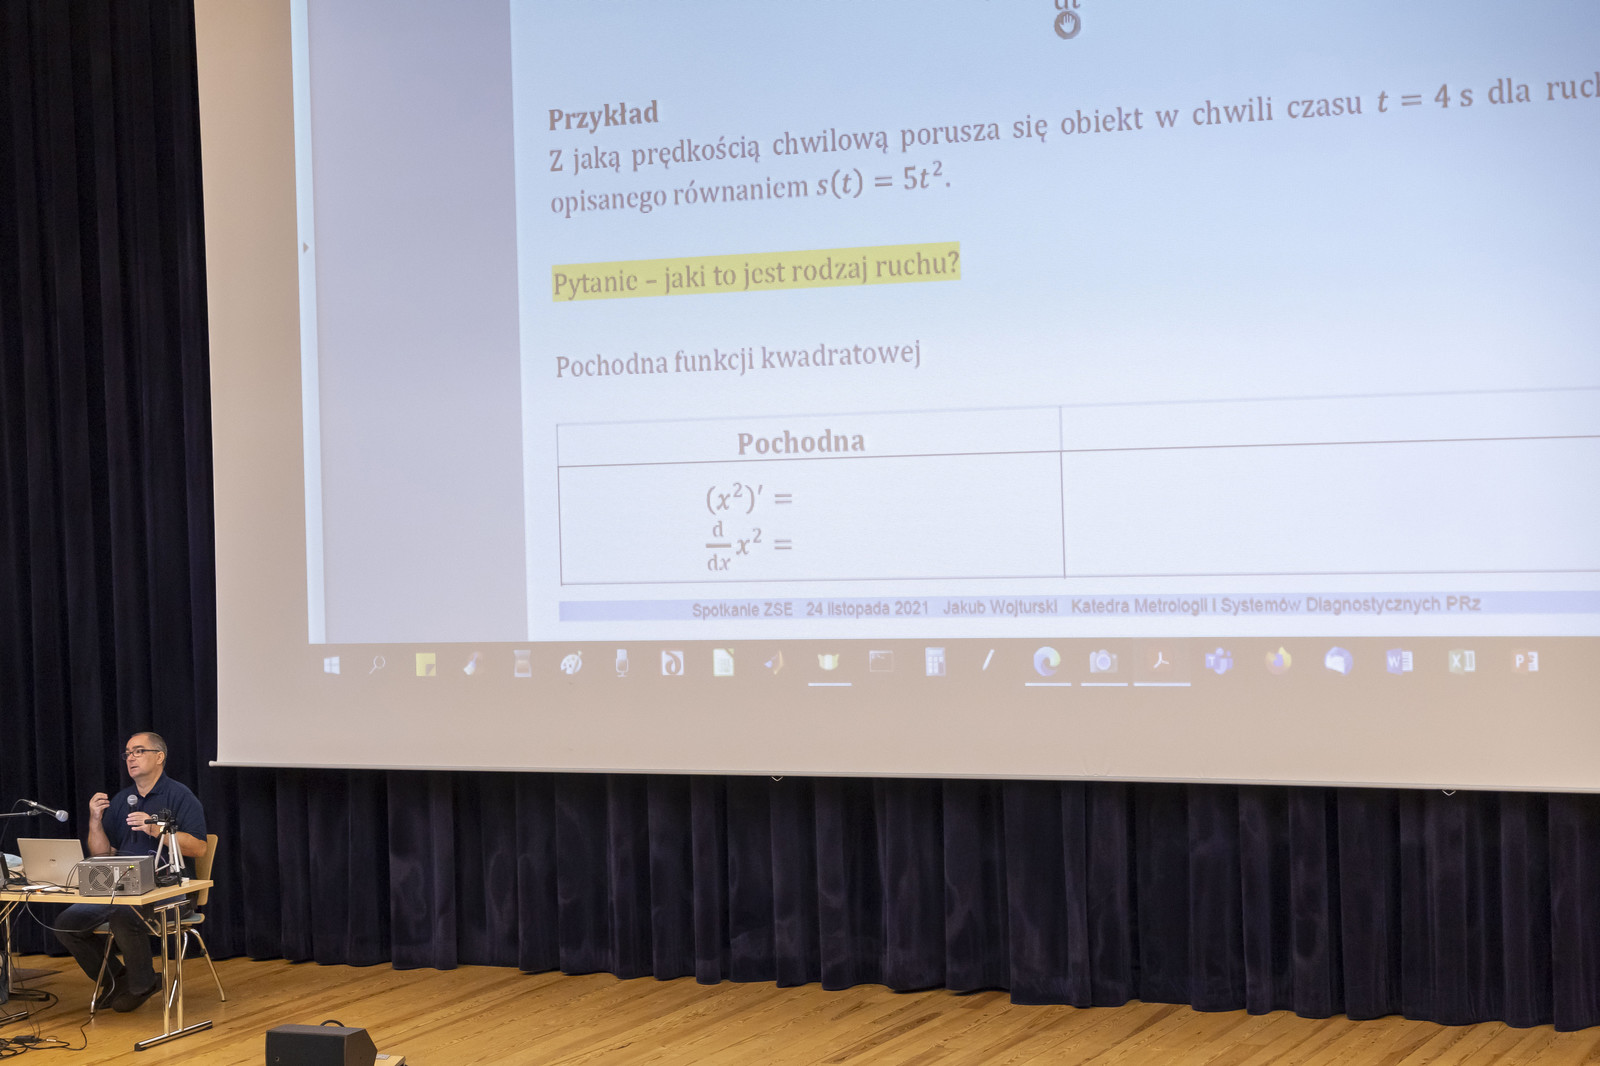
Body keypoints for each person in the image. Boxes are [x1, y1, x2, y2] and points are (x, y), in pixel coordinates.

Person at [53, 732, 207, 1012]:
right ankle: (117, 979)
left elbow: (199, 848)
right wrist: (95, 821)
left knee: (124, 915)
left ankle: (142, 984)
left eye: (139, 751)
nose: (131, 758)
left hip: (170, 890)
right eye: (127, 753)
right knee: (67, 922)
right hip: (120, 887)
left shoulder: (180, 796)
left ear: (159, 757)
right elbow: (101, 856)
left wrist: (155, 829)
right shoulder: (122, 799)